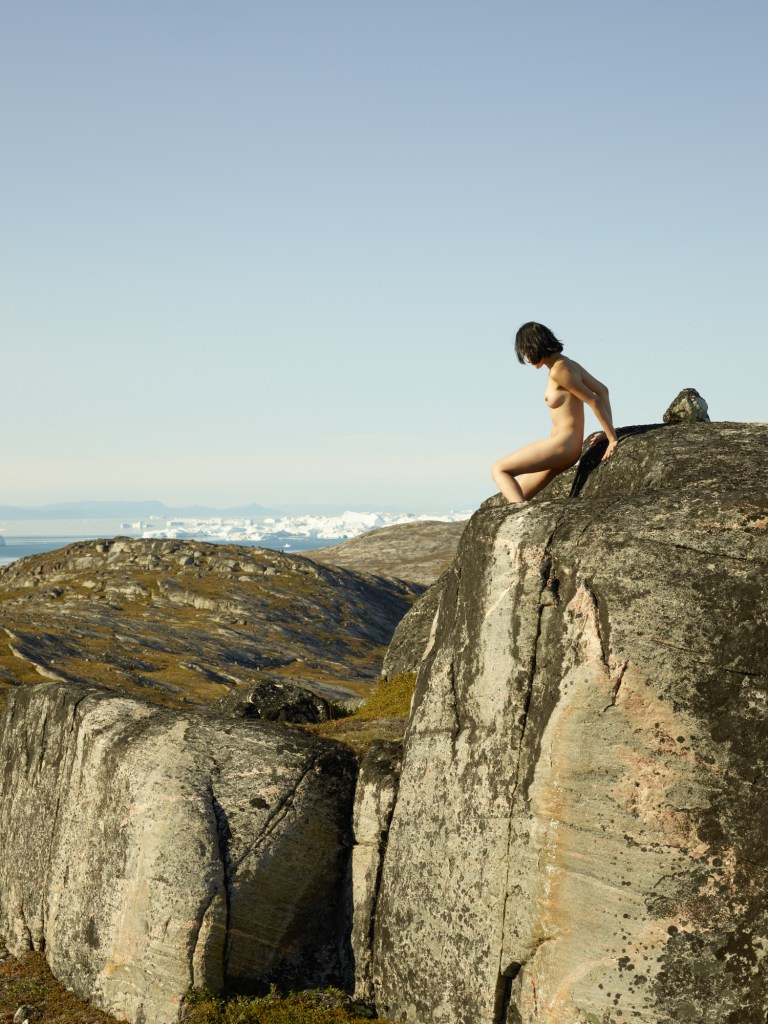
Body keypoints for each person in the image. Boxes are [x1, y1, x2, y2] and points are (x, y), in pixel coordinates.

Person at [491, 322, 618, 504]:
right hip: (563, 450)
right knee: (517, 497)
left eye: (526, 351)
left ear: (535, 346)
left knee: (499, 469)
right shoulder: (568, 364)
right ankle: (522, 515)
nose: (526, 357)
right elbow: (603, 390)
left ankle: (522, 517)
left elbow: (594, 399)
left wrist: (611, 438)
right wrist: (607, 430)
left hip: (562, 447)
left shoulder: (559, 371)